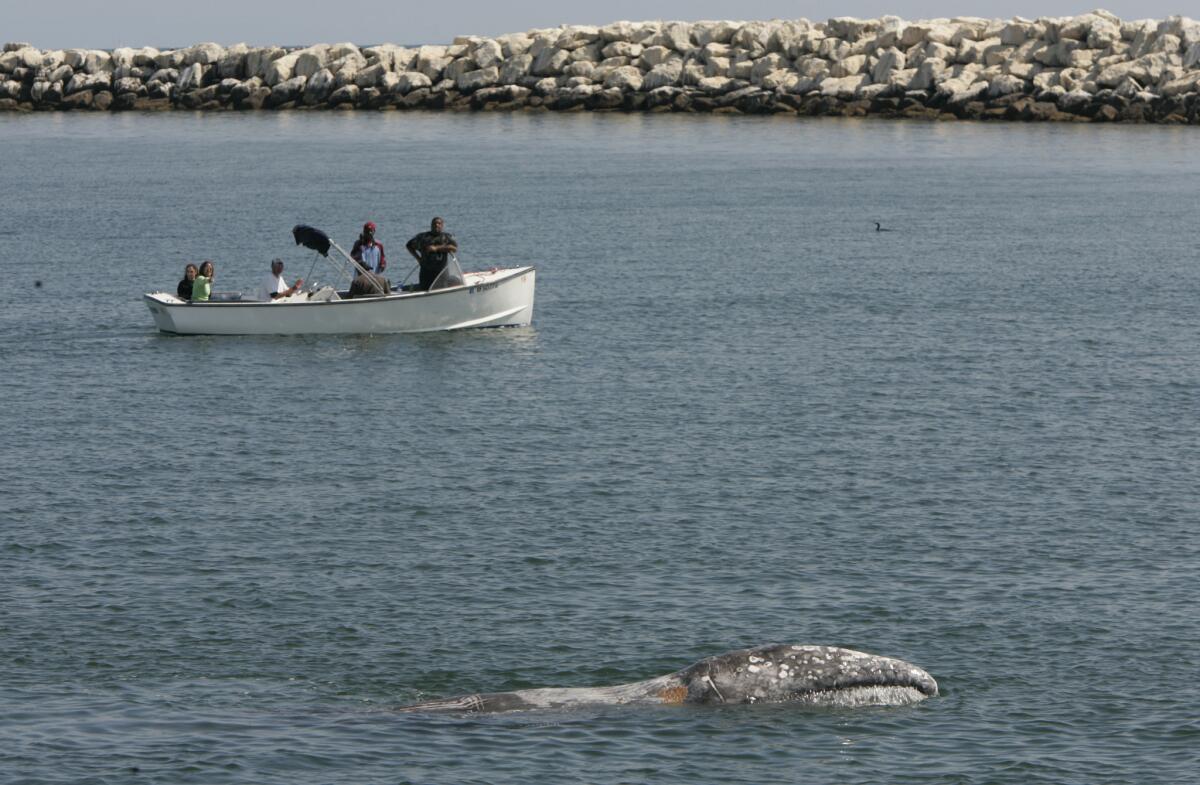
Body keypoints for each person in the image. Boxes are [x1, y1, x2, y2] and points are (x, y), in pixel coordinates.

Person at [406, 216, 458, 291]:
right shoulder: (423, 237)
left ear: (442, 225)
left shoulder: (446, 237)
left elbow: (454, 248)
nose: (437, 225)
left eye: (439, 223)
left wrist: (437, 248)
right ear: (431, 225)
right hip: (426, 272)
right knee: (425, 290)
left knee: (442, 290)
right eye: (434, 223)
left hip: (441, 273)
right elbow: (409, 246)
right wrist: (418, 258)